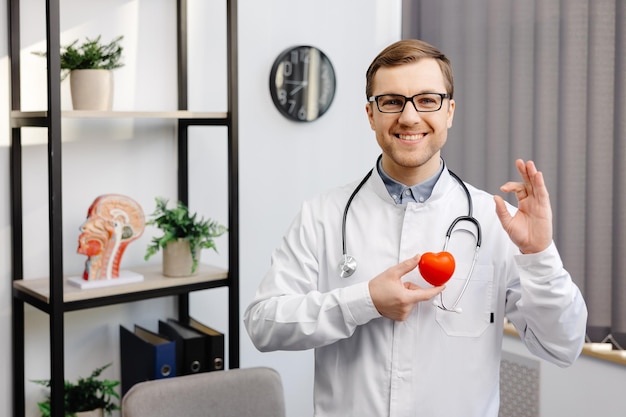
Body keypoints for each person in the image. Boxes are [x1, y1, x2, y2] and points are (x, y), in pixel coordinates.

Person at [244, 39, 587, 417]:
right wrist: (365, 301)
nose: (409, 117)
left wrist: (539, 254)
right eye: (391, 101)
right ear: (371, 114)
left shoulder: (496, 221)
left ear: (450, 111)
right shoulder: (323, 215)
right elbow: (263, 325)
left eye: (427, 100)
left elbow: (562, 346)